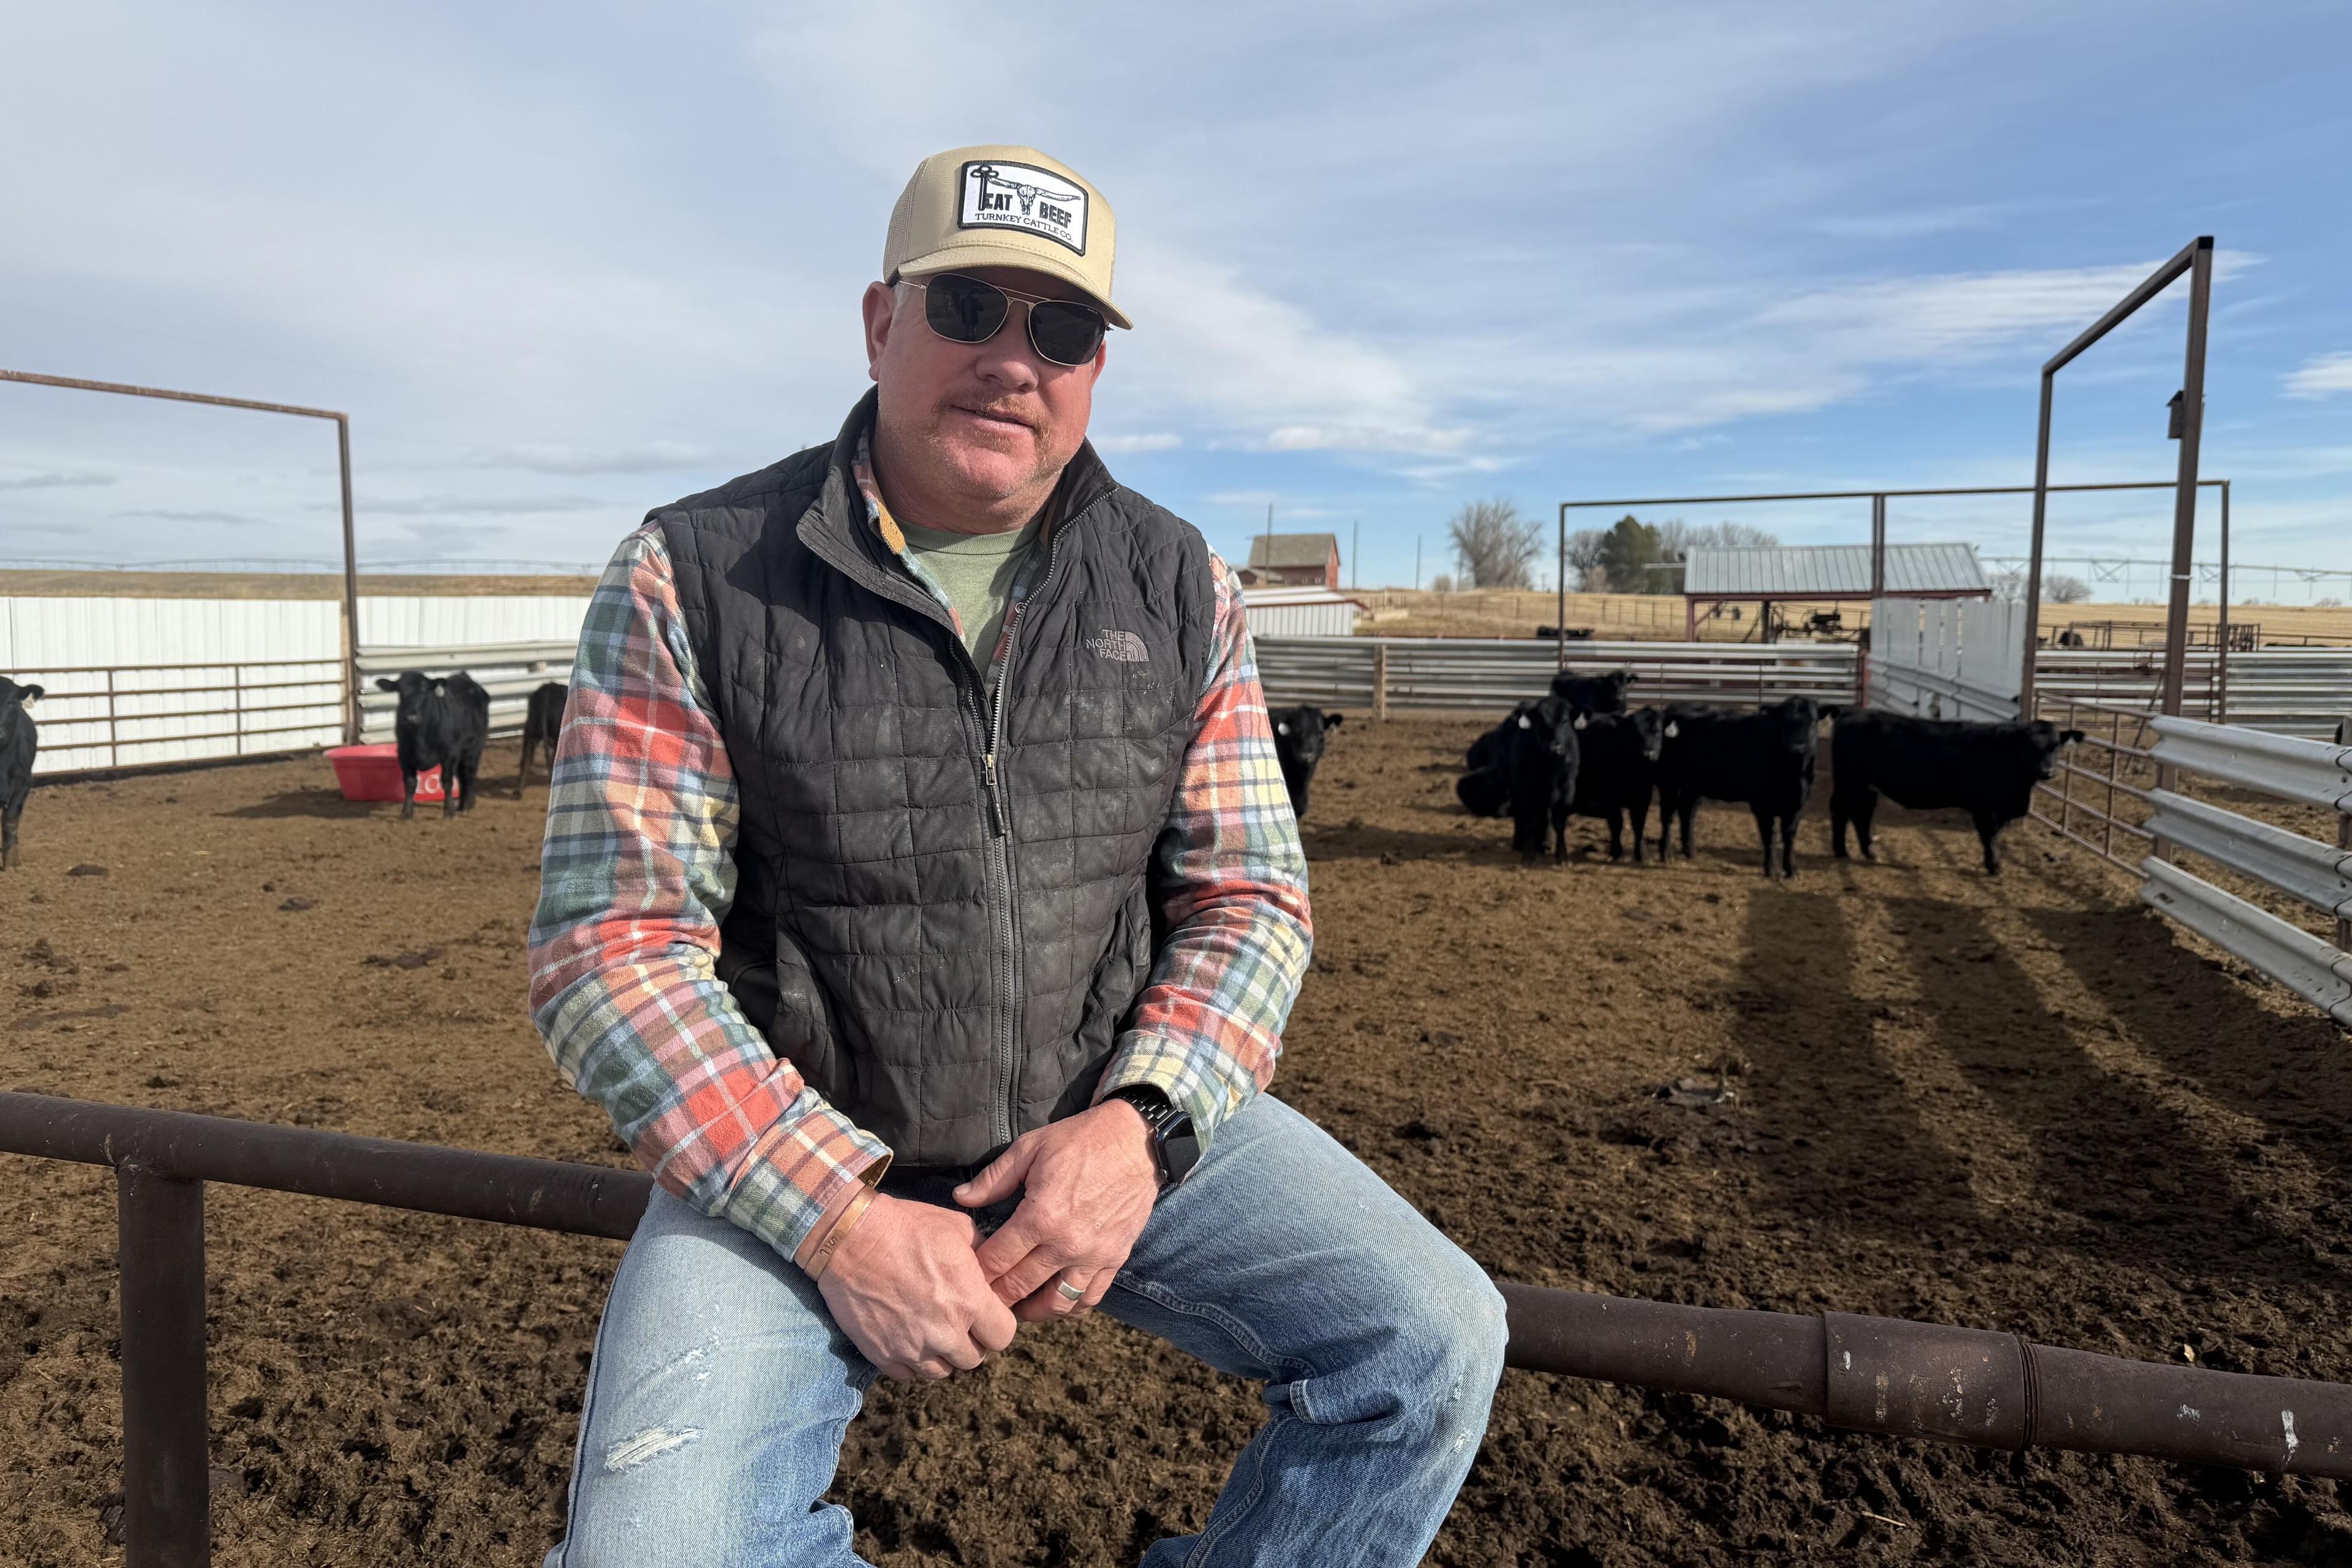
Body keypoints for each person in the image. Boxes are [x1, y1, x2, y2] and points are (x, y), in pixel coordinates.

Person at [528, 143, 1506, 1567]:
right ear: (881, 321)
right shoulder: (695, 571)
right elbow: (609, 948)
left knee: (1432, 1341)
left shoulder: (1179, 584)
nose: (1013, 358)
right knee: (649, 1551)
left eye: (1061, 328)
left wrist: (1142, 1127)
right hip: (801, 1139)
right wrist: (840, 1214)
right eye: (970, 306)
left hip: (1097, 1112)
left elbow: (1252, 900)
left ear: (1097, 368)